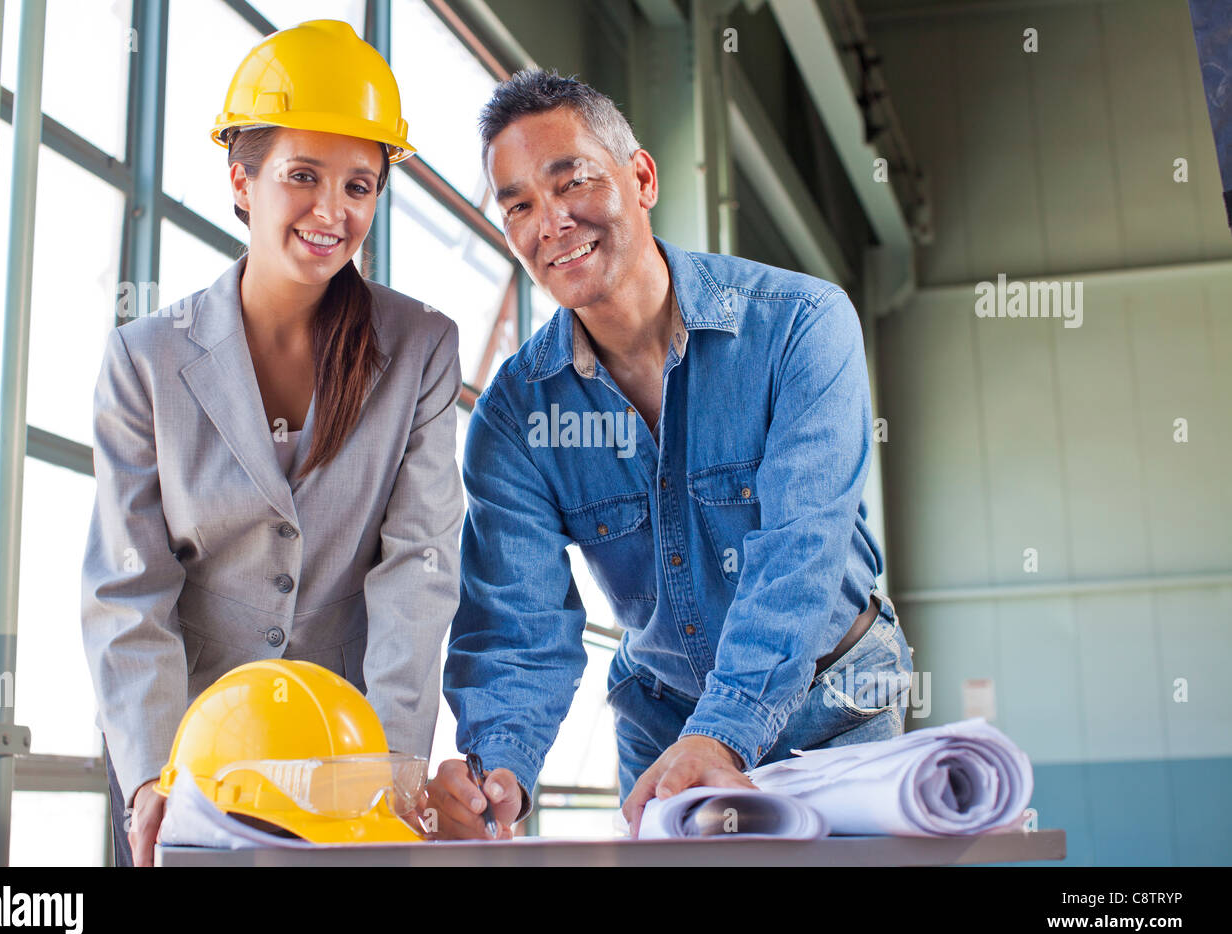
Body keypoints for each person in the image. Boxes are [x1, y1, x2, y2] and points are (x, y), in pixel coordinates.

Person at [424, 70, 912, 839]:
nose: (550, 222)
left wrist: (723, 732)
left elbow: (800, 556)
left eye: (571, 181)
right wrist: (498, 772)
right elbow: (517, 622)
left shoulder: (800, 328)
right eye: (518, 205)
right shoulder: (515, 418)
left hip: (834, 708)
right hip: (663, 720)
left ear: (641, 177)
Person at [81, 20, 463, 865]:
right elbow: (128, 587)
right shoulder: (147, 360)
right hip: (191, 761)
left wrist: (396, 764)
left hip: (346, 763)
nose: (333, 211)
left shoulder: (422, 348)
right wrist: (150, 777)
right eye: (302, 176)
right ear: (242, 180)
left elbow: (418, 567)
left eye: (360, 186)